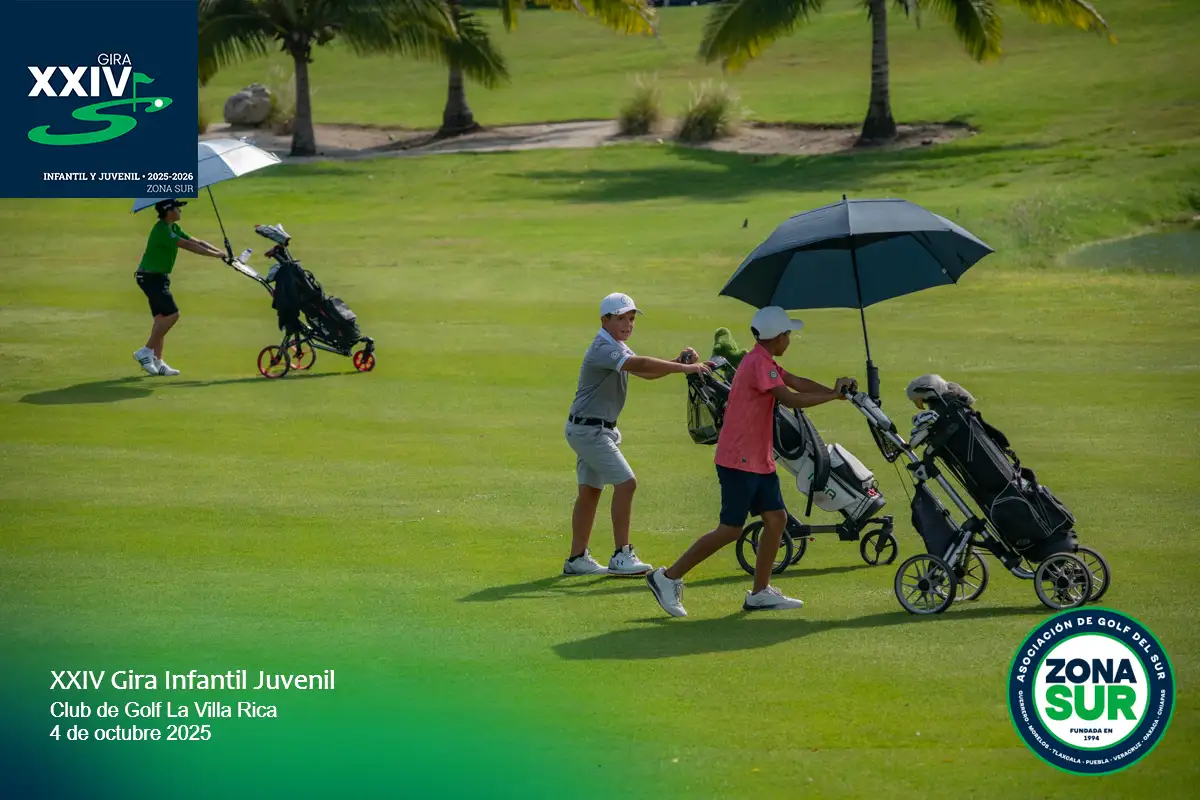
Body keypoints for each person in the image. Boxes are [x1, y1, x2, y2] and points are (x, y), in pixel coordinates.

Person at [646, 306, 857, 616]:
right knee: (730, 529)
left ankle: (760, 592)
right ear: (778, 336)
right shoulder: (758, 363)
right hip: (738, 460)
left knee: (777, 519)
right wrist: (831, 396)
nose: (790, 339)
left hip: (757, 459)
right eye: (788, 334)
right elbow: (791, 398)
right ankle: (666, 577)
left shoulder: (764, 360)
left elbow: (796, 381)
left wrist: (835, 392)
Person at [563, 292, 712, 577]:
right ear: (604, 320)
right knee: (627, 484)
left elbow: (646, 372)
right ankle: (622, 554)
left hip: (591, 429)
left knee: (590, 491)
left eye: (631, 319)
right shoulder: (603, 348)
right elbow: (640, 365)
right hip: (589, 431)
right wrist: (685, 367)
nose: (628, 324)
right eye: (621, 318)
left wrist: (676, 362)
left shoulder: (616, 345)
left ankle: (577, 559)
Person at [132, 199, 225, 376]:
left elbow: (198, 241)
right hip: (150, 278)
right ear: (169, 211)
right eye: (177, 208)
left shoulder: (173, 227)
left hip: (158, 277)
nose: (180, 211)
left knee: (161, 318)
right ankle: (145, 351)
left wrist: (221, 253)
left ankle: (158, 361)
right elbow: (189, 246)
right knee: (172, 315)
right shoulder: (162, 231)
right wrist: (216, 255)